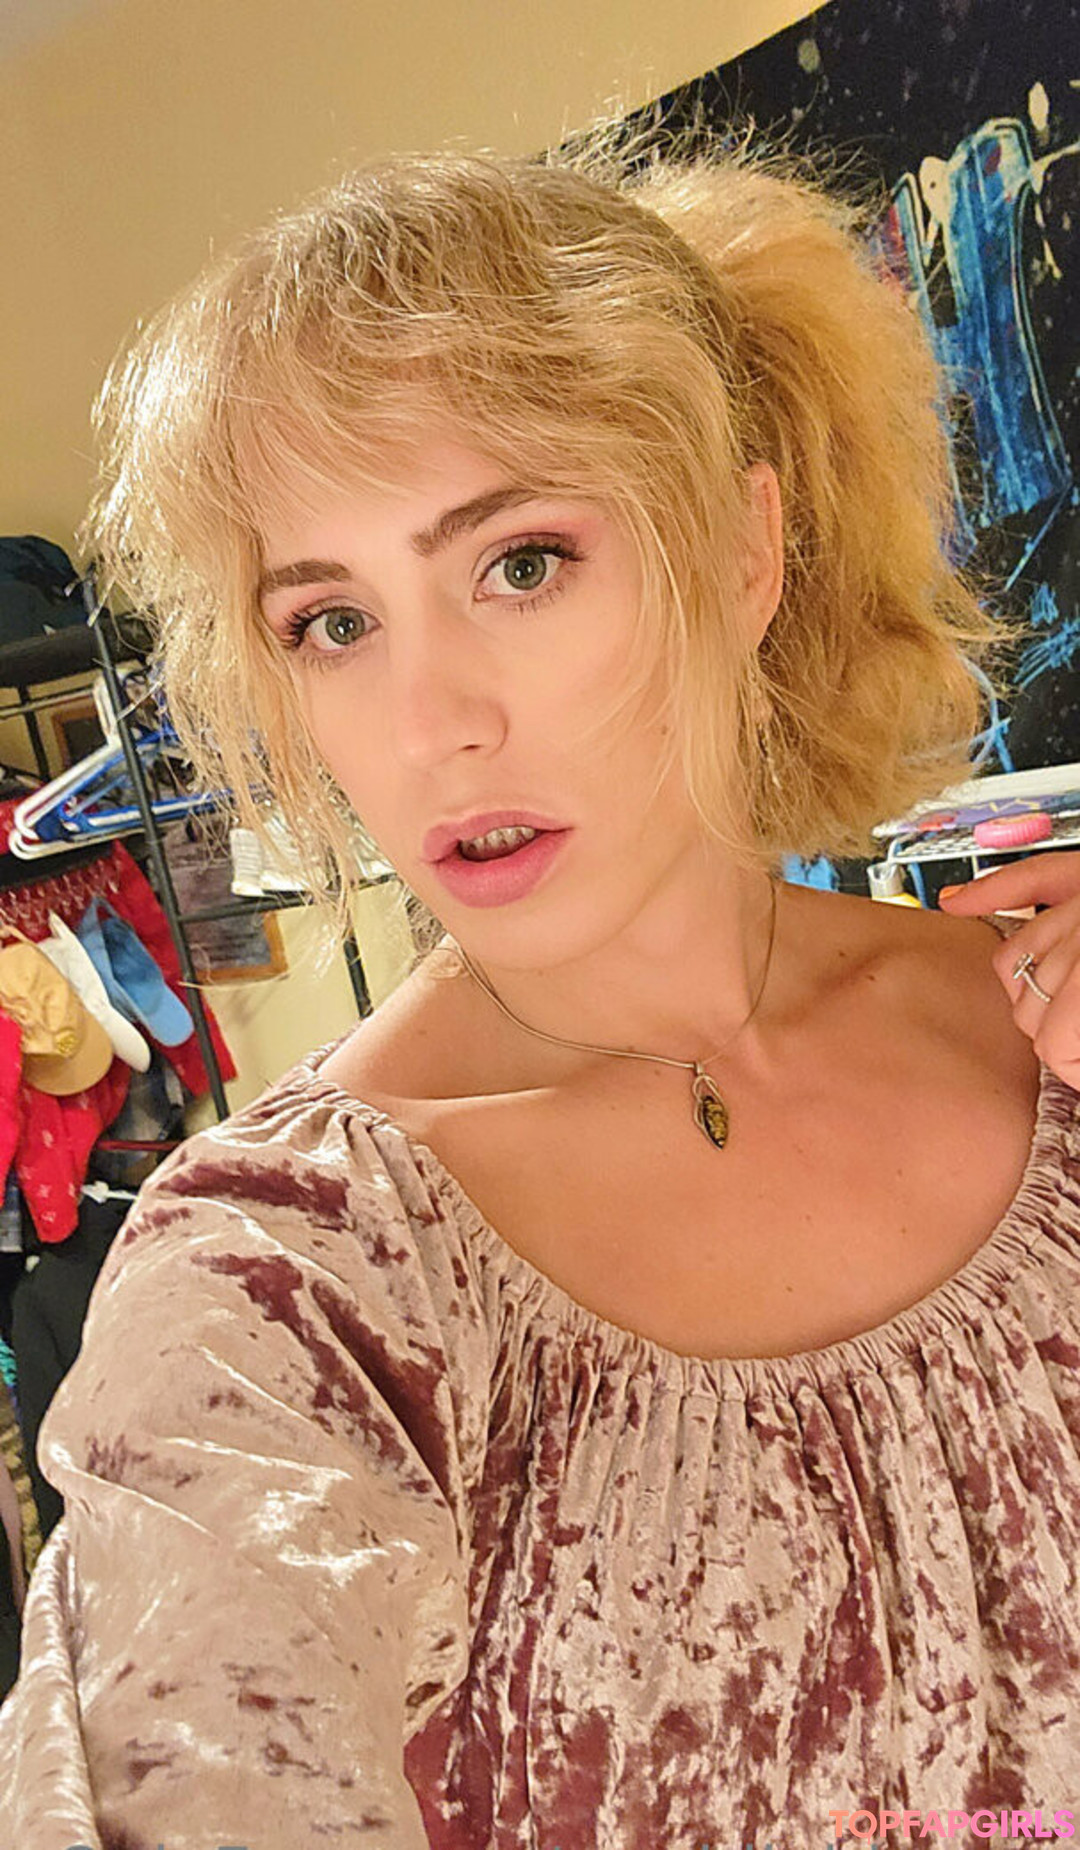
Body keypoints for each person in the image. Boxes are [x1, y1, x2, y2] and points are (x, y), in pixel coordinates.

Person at [1, 116, 1080, 1850]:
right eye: (333, 621)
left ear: (742, 550)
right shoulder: (283, 1284)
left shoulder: (1038, 1032)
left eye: (520, 564)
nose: (431, 724)